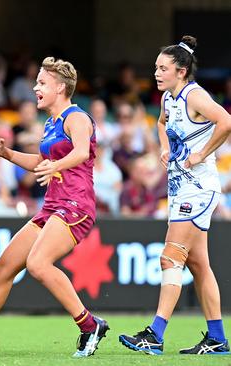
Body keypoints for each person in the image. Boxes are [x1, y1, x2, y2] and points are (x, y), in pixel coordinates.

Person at [0, 57, 109, 358]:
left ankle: (89, 325)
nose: (35, 87)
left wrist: (55, 164)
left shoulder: (76, 118)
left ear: (61, 87)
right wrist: (7, 153)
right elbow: (41, 165)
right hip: (53, 205)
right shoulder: (52, 122)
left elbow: (81, 153)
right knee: (2, 268)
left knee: (38, 264)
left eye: (42, 83)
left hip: (75, 204)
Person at [120, 35, 231, 355]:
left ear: (181, 71)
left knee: (170, 258)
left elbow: (225, 121)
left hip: (198, 189)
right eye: (155, 67)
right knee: (198, 264)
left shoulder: (194, 95)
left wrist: (201, 154)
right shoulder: (168, 98)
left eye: (163, 68)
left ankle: (155, 333)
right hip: (181, 189)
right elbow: (160, 123)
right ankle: (217, 338)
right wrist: (166, 147)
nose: (156, 73)